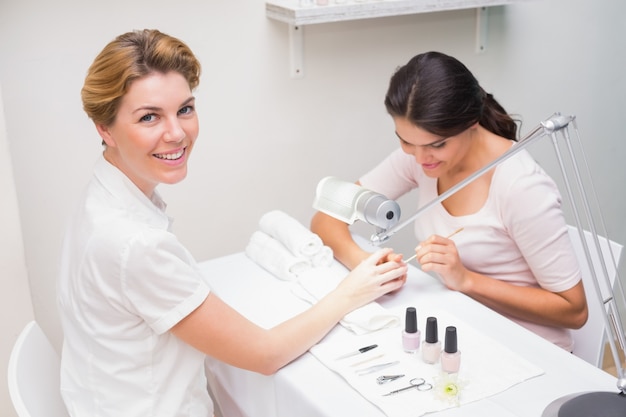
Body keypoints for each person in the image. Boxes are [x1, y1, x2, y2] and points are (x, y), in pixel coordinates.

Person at [57, 29, 407, 417]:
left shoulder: (101, 197)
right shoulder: (134, 243)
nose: (176, 133)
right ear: (104, 128)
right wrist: (350, 292)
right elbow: (265, 354)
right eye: (149, 117)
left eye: (185, 109)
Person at [311, 51, 588, 351]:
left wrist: (465, 279)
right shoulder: (422, 157)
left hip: (529, 350)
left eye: (437, 145)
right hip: (464, 331)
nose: (418, 158)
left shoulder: (521, 187)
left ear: (471, 123)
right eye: (405, 141)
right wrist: (368, 266)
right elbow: (327, 216)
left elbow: (574, 311)